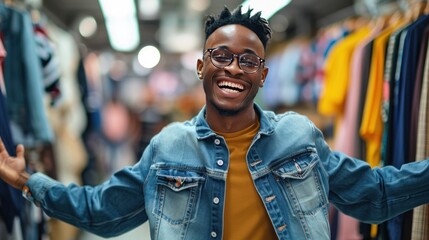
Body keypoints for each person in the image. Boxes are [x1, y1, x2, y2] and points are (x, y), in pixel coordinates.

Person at [1, 5, 429, 240]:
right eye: (222, 57)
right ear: (201, 66)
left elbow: (375, 194)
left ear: (263, 74)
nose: (234, 69)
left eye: (248, 60)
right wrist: (28, 182)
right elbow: (100, 211)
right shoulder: (168, 147)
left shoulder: (301, 137)